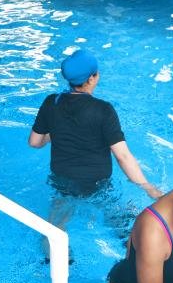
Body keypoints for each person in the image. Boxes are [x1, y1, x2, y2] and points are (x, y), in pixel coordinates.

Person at [29, 49, 162, 229]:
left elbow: (35, 142)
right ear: (91, 78)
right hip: (97, 186)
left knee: (54, 229)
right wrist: (147, 186)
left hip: (62, 182)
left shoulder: (51, 102)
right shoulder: (103, 110)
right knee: (118, 219)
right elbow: (123, 156)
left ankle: (56, 257)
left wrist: (56, 131)